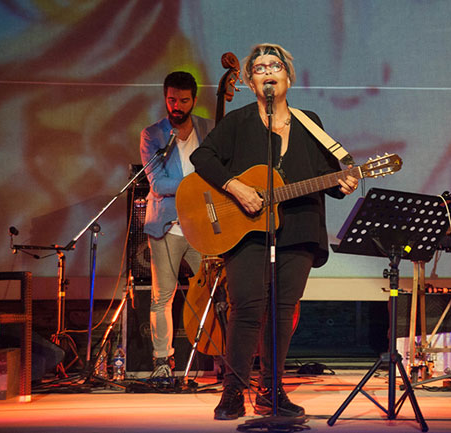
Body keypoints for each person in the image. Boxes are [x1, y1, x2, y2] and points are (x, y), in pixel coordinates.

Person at [190, 43, 358, 420]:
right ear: (251, 83)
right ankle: (233, 391)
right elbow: (202, 157)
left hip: (299, 228)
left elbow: (325, 175)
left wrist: (343, 183)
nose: (268, 71)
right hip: (247, 231)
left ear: (288, 77)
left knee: (282, 313)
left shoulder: (309, 122)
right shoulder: (239, 121)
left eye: (275, 65)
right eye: (260, 68)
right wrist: (236, 187)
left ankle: (271, 390)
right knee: (246, 308)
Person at [139, 71, 214, 378]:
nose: (176, 106)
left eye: (183, 100)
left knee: (214, 294)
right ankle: (162, 362)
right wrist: (198, 183)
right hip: (166, 226)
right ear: (165, 98)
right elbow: (158, 184)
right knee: (162, 297)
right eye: (171, 100)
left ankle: (221, 357)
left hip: (203, 225)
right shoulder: (152, 134)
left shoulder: (209, 129)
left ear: (194, 100)